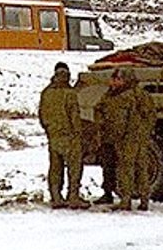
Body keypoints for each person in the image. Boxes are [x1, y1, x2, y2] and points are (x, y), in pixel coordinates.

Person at [97, 68, 156, 210]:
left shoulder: (123, 97)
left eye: (117, 79)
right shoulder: (141, 95)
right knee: (141, 168)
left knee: (126, 168)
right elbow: (151, 116)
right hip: (139, 138)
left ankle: (126, 200)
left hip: (126, 138)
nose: (113, 82)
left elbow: (118, 121)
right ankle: (144, 200)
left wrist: (115, 135)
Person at [37, 62, 87, 209]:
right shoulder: (70, 94)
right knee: (74, 168)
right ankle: (73, 197)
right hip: (70, 136)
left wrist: (49, 130)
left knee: (55, 167)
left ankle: (56, 197)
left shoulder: (46, 93)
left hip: (53, 136)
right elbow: (74, 117)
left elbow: (42, 115)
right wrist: (78, 133)